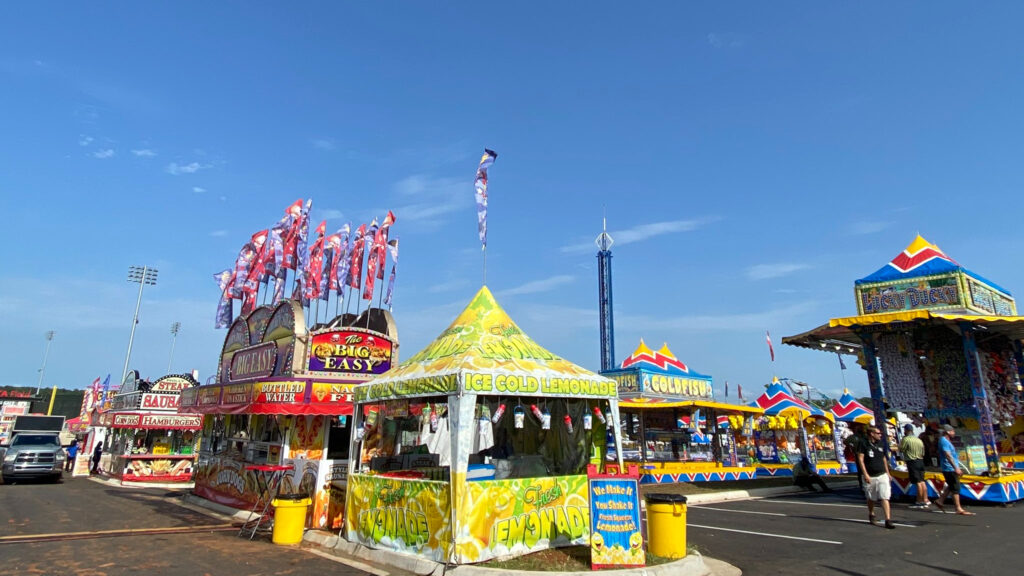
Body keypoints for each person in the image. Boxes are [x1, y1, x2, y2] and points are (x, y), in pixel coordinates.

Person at [857, 426, 895, 529]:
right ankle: (871, 513)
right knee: (871, 497)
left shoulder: (881, 443)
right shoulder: (863, 443)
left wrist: (888, 473)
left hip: (882, 474)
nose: (880, 435)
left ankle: (888, 519)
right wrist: (865, 474)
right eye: (878, 433)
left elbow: (883, 458)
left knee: (885, 496)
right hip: (870, 475)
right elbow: (860, 459)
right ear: (871, 434)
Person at [932, 424, 975, 515]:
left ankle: (940, 500)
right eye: (952, 431)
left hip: (951, 467)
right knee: (955, 487)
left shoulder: (947, 441)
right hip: (949, 468)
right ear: (948, 432)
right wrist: (956, 468)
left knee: (952, 485)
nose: (954, 433)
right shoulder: (943, 441)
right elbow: (948, 455)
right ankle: (958, 508)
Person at [898, 424, 928, 509]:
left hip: (912, 461)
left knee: (917, 482)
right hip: (921, 461)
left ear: (907, 431)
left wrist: (900, 443)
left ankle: (919, 501)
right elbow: (923, 452)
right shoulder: (919, 440)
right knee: (922, 481)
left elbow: (901, 449)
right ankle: (925, 499)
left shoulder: (906, 439)